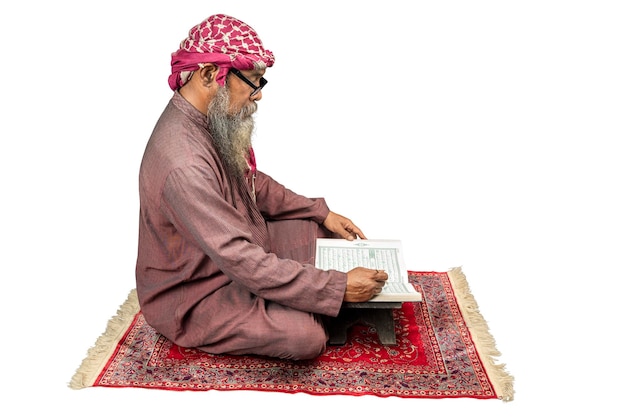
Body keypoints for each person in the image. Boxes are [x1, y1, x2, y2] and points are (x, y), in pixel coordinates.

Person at [135, 13, 387, 361]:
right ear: (210, 74)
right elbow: (241, 260)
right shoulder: (184, 163)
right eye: (253, 81)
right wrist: (338, 288)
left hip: (233, 255)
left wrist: (321, 212)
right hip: (196, 292)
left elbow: (252, 182)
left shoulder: (205, 118)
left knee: (321, 234)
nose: (258, 95)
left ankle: (303, 296)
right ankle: (307, 303)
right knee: (305, 338)